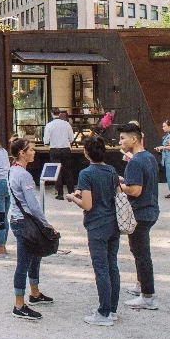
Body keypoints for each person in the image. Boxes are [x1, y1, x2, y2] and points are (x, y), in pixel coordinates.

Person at [66, 135, 120, 326]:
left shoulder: (86, 174)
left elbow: (87, 205)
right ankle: (112, 308)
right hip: (113, 222)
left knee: (101, 268)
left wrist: (73, 198)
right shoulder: (112, 170)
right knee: (112, 265)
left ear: (86, 153)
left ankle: (104, 312)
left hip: (97, 224)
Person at [8, 138, 53, 320]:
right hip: (26, 222)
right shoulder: (24, 175)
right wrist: (45, 223)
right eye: (31, 149)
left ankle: (34, 292)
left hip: (18, 218)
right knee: (24, 262)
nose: (34, 152)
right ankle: (19, 304)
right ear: (22, 153)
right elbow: (33, 205)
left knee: (35, 255)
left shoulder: (13, 171)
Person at [118, 122, 160, 310]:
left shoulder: (135, 161)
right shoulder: (149, 157)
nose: (120, 142)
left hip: (140, 213)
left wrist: (118, 186)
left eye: (123, 138)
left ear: (134, 139)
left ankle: (147, 295)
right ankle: (141, 285)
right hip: (150, 210)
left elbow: (135, 190)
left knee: (141, 253)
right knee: (139, 252)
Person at [42, 107, 75, 200]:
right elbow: (72, 138)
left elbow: (46, 140)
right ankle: (71, 192)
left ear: (52, 114)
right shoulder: (67, 124)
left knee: (57, 172)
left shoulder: (49, 125)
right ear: (60, 113)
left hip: (54, 149)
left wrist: (47, 143)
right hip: (65, 149)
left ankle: (60, 193)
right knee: (68, 171)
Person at [154, 119, 170, 199]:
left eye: (164, 126)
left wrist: (162, 147)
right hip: (168, 157)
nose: (163, 128)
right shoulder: (169, 135)